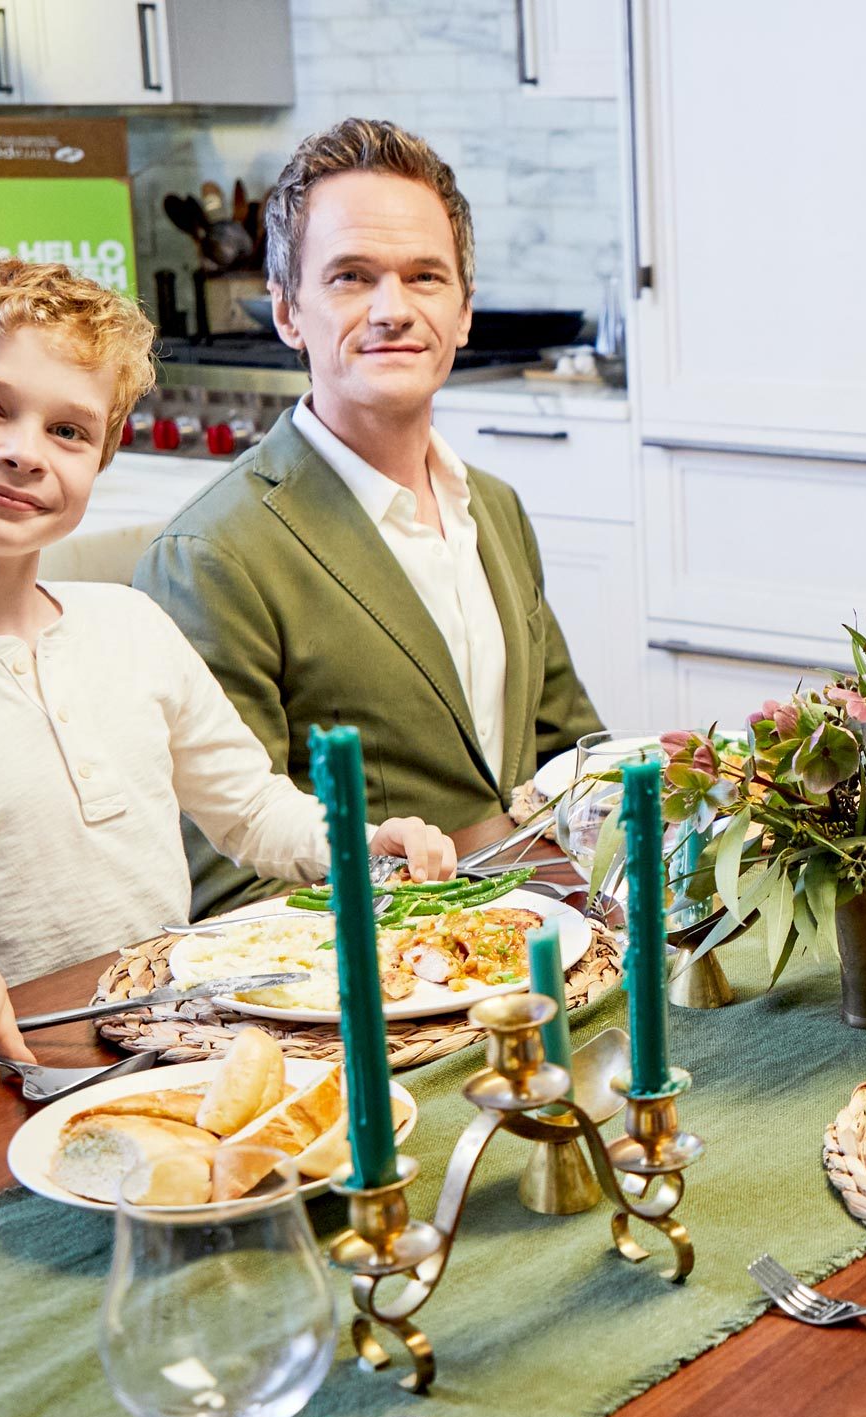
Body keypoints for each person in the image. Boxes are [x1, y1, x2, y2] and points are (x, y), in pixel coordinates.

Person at [0, 258, 456, 1085]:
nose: (23, 452)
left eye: (68, 430)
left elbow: (251, 812)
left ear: (100, 460)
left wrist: (356, 845)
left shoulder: (132, 627)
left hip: (176, 1053)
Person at [139, 118, 602, 919]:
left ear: (463, 312)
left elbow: (571, 757)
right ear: (287, 312)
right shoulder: (211, 556)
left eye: (426, 277)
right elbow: (231, 886)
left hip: (548, 943)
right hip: (375, 997)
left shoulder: (494, 507)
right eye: (351, 277)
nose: (394, 309)